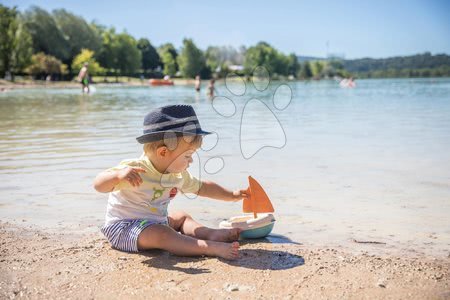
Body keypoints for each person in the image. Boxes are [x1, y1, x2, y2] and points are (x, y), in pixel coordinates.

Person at [94, 104, 247, 260]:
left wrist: (232, 195)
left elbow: (202, 188)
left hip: (156, 223)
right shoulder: (133, 170)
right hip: (124, 229)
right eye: (187, 156)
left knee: (181, 217)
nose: (191, 161)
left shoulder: (177, 174)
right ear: (163, 152)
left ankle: (210, 234)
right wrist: (118, 176)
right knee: (163, 233)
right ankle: (209, 248)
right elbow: (98, 185)